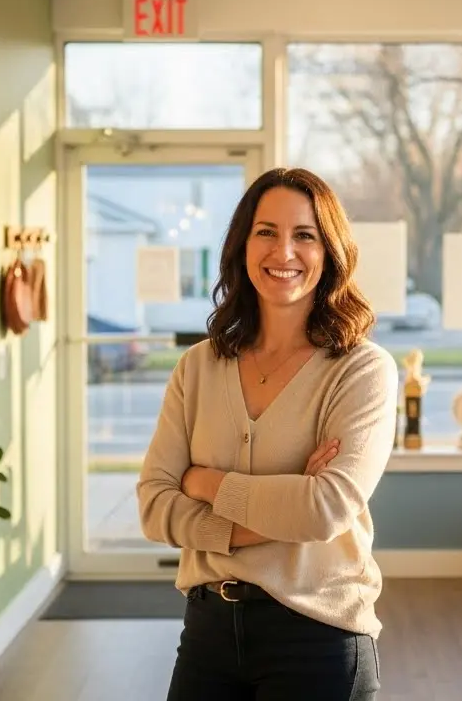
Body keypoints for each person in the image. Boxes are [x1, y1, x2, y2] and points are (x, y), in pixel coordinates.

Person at [136, 166, 398, 700]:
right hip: (207, 631)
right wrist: (282, 508)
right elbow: (152, 505)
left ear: (329, 252)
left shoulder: (361, 370)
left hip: (319, 636)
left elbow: (324, 509)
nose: (284, 252)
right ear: (241, 246)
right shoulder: (197, 368)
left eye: (305, 235)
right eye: (266, 232)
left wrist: (204, 482)